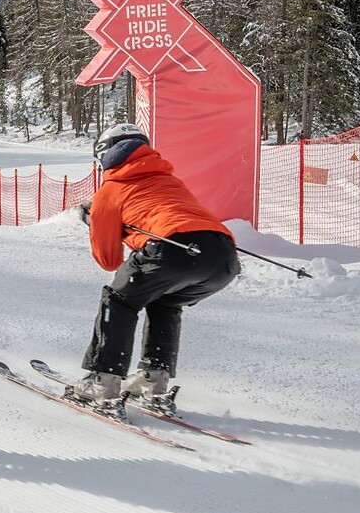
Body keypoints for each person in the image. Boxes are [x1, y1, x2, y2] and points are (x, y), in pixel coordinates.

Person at [70, 123, 239, 412]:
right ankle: (153, 378)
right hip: (223, 257)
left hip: (171, 249)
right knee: (164, 301)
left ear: (105, 154)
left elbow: (108, 259)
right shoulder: (171, 181)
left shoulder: (111, 189)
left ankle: (103, 381)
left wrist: (95, 221)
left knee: (119, 300)